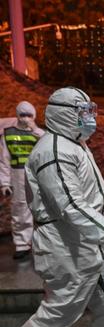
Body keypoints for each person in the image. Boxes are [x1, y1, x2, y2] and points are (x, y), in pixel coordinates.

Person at [0, 88, 104, 327]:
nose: (90, 117)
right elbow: (70, 205)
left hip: (90, 240)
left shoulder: (73, 143)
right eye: (83, 112)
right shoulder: (53, 151)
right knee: (60, 311)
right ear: (65, 114)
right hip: (67, 245)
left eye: (90, 111)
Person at [0, 101, 44, 260]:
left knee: (43, 209)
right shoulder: (8, 133)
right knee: (19, 210)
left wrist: (35, 129)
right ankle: (22, 244)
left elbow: (49, 143)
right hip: (17, 175)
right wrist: (4, 182)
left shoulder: (38, 133)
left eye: (29, 115)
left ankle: (43, 243)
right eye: (22, 115)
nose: (25, 118)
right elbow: (3, 159)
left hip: (37, 175)